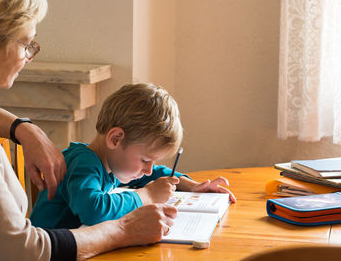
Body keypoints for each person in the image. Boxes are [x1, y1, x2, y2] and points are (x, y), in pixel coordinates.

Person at [0, 0, 178, 260]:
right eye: (26, 44)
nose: (29, 56)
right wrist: (124, 230)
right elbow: (24, 249)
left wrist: (23, 128)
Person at [30, 83, 236, 229]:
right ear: (116, 139)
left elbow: (153, 174)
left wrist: (191, 185)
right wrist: (147, 196)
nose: (148, 168)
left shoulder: (108, 162)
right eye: (145, 160)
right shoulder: (83, 164)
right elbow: (93, 211)